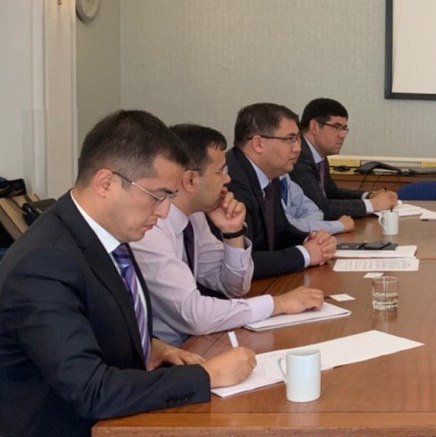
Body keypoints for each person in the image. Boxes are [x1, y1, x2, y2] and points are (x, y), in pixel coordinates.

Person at [0, 110, 255, 437]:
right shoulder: (43, 264)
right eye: (157, 196)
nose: (164, 212)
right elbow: (90, 390)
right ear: (105, 183)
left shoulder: (103, 234)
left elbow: (91, 321)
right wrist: (208, 376)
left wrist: (150, 346)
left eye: (170, 197)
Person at [132, 124, 326, 346]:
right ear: (191, 180)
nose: (227, 180)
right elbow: (194, 315)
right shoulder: (150, 228)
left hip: (194, 342)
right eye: (221, 172)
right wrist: (278, 304)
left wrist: (233, 232)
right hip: (164, 353)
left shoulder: (195, 217)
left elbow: (233, 287)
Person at [227, 103, 337, 279]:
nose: (298, 148)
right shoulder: (231, 182)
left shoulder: (270, 174)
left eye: (298, 139)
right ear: (258, 144)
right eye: (290, 139)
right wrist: (305, 254)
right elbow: (242, 261)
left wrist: (311, 240)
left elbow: (280, 230)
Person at [289, 98, 398, 220]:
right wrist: (373, 204)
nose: (342, 135)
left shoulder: (318, 154)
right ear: (315, 126)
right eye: (337, 127)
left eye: (344, 129)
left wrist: (368, 196)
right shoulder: (299, 156)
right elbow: (319, 208)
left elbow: (331, 193)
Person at [279, 174, 355, 235]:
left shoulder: (285, 177)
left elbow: (315, 212)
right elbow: (289, 225)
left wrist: (308, 229)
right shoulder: (273, 183)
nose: (296, 160)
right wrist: (339, 226)